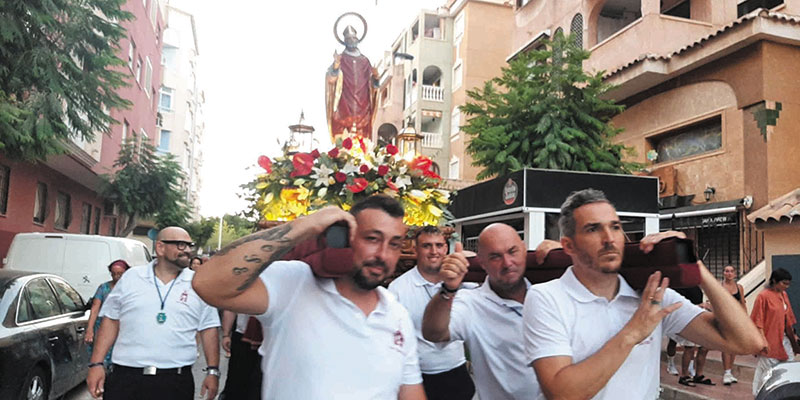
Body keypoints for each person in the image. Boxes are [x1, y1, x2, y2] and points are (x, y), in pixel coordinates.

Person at [522, 188, 765, 399]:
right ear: (568, 246)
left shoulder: (654, 295)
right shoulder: (547, 298)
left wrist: (695, 266)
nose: (609, 239)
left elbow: (746, 342)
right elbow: (563, 393)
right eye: (593, 229)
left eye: (615, 227)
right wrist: (633, 332)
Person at [193, 195, 425, 399]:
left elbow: (410, 392)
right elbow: (206, 283)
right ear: (344, 237)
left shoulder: (396, 314)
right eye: (372, 239)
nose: (383, 254)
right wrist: (304, 227)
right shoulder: (292, 284)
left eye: (394, 244)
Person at [422, 222, 558, 400]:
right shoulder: (472, 303)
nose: (507, 263)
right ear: (482, 263)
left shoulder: (551, 294)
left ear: (524, 250)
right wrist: (448, 289)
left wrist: (564, 254)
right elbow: (434, 333)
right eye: (495, 257)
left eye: (512, 251)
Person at [86, 227, 221, 400]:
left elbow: (209, 328)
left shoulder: (198, 284)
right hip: (125, 379)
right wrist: (96, 363)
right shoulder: (131, 278)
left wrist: (212, 371)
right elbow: (111, 320)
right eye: (181, 245)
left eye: (189, 245)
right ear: (160, 247)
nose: (187, 250)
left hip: (175, 382)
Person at [388, 226, 475, 400]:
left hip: (456, 371)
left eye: (439, 245)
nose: (434, 251)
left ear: (446, 248)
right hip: (419, 376)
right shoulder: (397, 289)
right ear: (415, 249)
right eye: (427, 245)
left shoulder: (466, 283)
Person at [751, 267, 800, 396]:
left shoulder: (783, 295)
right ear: (774, 280)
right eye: (784, 283)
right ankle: (759, 395)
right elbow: (757, 321)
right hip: (769, 340)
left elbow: (788, 317)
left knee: (788, 369)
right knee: (768, 373)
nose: (787, 286)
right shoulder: (763, 296)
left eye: (788, 283)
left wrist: (793, 336)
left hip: (784, 340)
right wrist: (763, 341)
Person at [325, 25, 379, 139]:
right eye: (348, 39)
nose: (351, 41)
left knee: (362, 143)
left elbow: (373, 86)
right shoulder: (341, 59)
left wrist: (376, 76)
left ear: (358, 39)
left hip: (363, 107)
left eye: (353, 38)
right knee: (343, 143)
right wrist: (336, 65)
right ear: (344, 41)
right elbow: (331, 79)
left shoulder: (365, 61)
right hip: (344, 105)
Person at [85, 259, 131, 367]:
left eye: (120, 273)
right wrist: (90, 329)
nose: (116, 276)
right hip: (103, 328)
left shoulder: (130, 289)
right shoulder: (103, 288)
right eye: (114, 273)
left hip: (123, 328)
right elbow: (95, 308)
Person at [218, 311, 261, 400]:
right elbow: (231, 308)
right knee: (236, 385)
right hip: (243, 337)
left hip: (272, 340)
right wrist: (226, 334)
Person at [721, 264, 746, 385]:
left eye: (731, 271)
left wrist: (745, 320)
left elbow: (742, 303)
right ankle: (726, 372)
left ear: (735, 274)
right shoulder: (719, 286)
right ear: (723, 273)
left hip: (737, 319)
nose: (729, 273)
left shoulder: (739, 287)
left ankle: (730, 371)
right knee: (726, 345)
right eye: (727, 271)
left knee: (734, 346)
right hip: (724, 319)